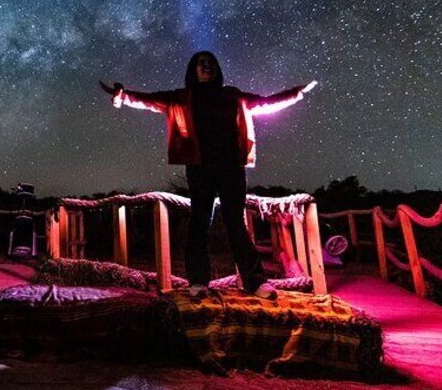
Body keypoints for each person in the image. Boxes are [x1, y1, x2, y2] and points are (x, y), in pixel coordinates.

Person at [100, 51, 316, 300]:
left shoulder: (231, 94)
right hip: (199, 167)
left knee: (236, 224)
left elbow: (265, 103)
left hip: (231, 166)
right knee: (199, 223)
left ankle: (255, 282)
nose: (207, 66)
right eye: (202, 63)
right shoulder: (181, 97)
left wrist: (295, 93)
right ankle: (198, 282)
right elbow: (148, 100)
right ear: (193, 69)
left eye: (211, 62)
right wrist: (123, 95)